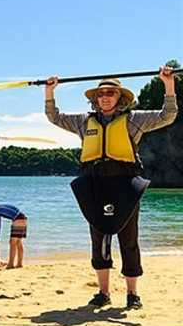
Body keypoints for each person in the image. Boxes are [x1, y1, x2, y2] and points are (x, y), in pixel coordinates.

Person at [45, 67, 177, 309]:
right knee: (99, 238)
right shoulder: (84, 122)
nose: (105, 96)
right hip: (95, 185)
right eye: (101, 93)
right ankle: (103, 293)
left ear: (120, 97)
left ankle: (132, 294)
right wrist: (50, 92)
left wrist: (168, 84)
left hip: (124, 185)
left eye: (110, 93)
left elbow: (167, 115)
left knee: (129, 240)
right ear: (96, 98)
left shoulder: (134, 120)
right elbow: (55, 117)